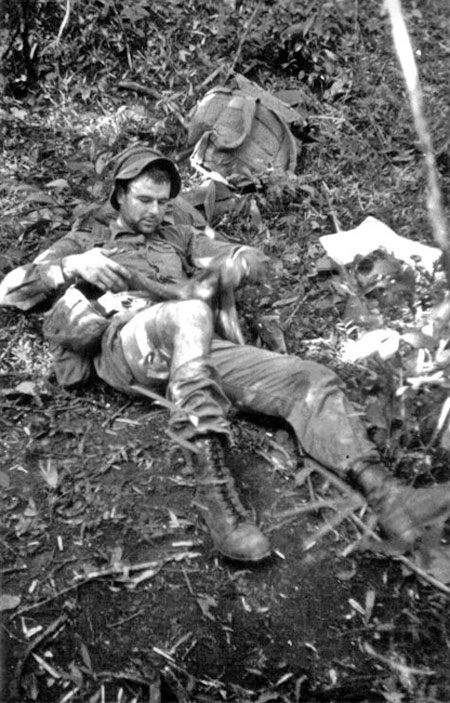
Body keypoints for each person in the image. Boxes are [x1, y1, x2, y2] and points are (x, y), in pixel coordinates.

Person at [1, 145, 448, 563]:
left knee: (307, 380)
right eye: (143, 200)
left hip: (193, 346)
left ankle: (389, 497)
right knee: (190, 312)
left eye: (162, 202)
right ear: (119, 194)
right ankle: (215, 496)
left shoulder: (178, 233)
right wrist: (68, 266)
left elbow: (235, 255)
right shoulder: (88, 234)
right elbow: (10, 290)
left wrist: (242, 258)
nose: (155, 211)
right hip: (128, 345)